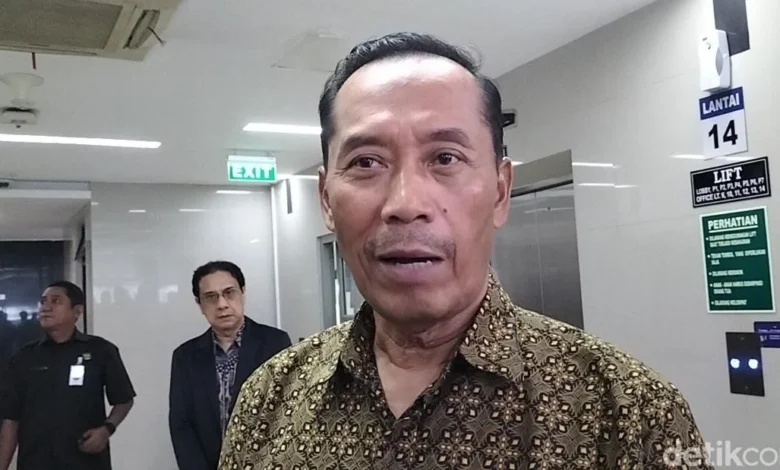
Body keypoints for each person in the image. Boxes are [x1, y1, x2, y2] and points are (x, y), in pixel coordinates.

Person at [219, 33, 711, 469]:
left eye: (445, 158)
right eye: (367, 162)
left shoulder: (630, 414)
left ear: (500, 191)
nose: (406, 204)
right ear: (326, 200)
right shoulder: (268, 401)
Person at [169, 261, 292, 470]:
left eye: (229, 293)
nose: (222, 304)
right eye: (211, 297)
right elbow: (181, 424)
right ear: (199, 304)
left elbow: (286, 412)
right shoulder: (185, 356)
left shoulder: (275, 343)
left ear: (243, 293)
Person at [0, 281, 135, 470]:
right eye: (43, 301)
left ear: (77, 311)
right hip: (36, 461)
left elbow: (124, 399)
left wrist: (107, 429)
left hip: (86, 461)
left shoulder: (100, 350)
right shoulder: (24, 358)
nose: (46, 307)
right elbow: (11, 420)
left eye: (56, 301)